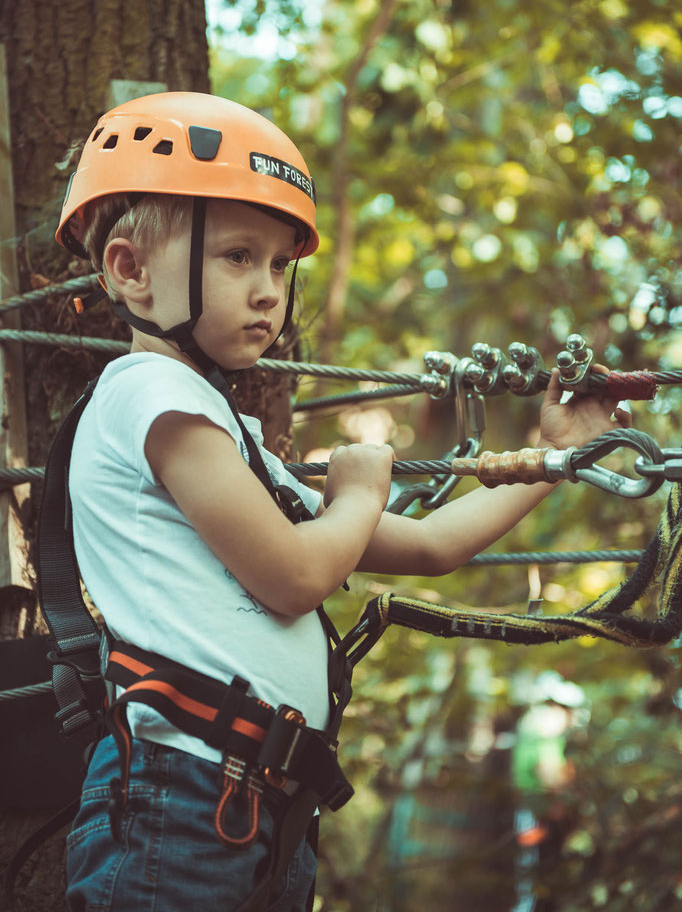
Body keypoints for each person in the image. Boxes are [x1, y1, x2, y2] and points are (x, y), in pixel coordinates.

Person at [54, 91, 629, 911]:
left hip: (253, 807)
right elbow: (293, 576)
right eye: (236, 257)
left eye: (281, 264)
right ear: (130, 271)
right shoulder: (148, 394)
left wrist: (556, 457)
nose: (267, 290)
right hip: (177, 804)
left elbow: (432, 547)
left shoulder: (229, 438)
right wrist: (357, 493)